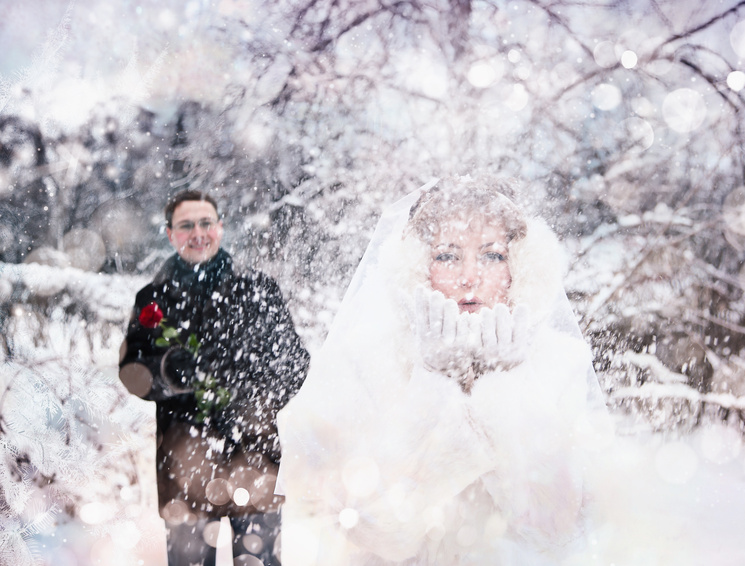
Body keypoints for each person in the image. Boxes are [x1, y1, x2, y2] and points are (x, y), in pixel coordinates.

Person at [275, 176, 609, 565]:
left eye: (492, 255)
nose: (470, 276)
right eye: (448, 255)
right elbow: (368, 526)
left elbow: (559, 530)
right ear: (417, 265)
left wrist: (508, 386)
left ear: (519, 266)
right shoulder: (366, 360)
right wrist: (432, 388)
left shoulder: (559, 363)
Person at [119, 189, 310, 566]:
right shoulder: (153, 299)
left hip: (253, 463)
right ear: (171, 234)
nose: (198, 233)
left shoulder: (259, 290)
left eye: (205, 223)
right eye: (186, 225)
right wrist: (168, 373)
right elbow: (130, 372)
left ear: (220, 228)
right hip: (184, 465)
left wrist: (252, 396)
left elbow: (295, 363)